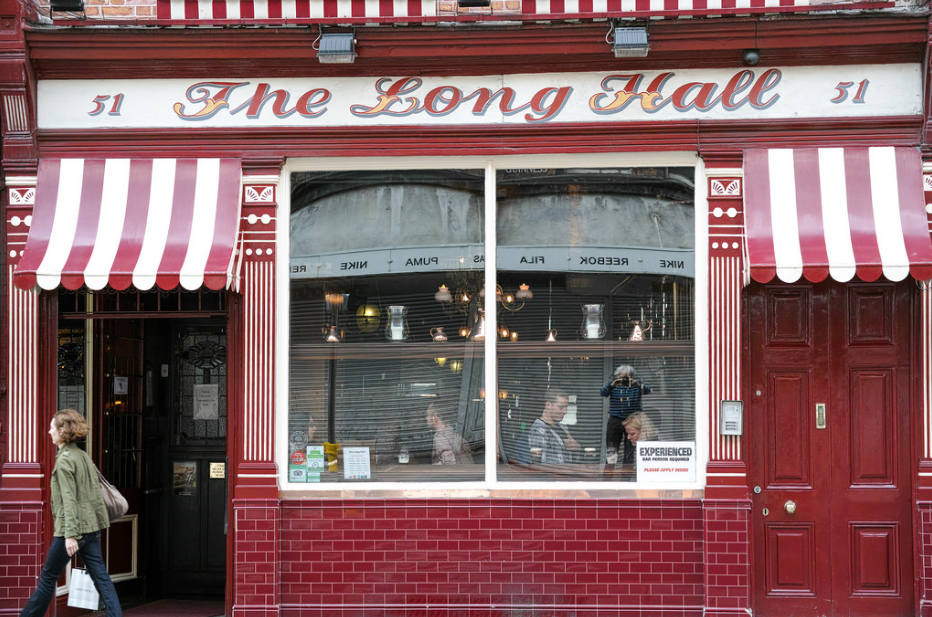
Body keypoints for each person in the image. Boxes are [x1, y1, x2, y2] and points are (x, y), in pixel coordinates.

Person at [21, 409, 122, 617]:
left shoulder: (65, 460)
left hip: (72, 529)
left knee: (48, 578)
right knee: (101, 577)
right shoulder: (83, 456)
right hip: (91, 527)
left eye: (52, 428)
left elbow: (69, 500)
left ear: (61, 431)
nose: (49, 432)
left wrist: (70, 535)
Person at [600, 364, 652, 465]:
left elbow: (649, 391)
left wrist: (638, 384)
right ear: (617, 376)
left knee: (630, 451)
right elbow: (603, 393)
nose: (623, 380)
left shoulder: (636, 385)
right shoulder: (613, 385)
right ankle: (607, 479)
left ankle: (626, 478)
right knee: (611, 451)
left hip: (632, 421)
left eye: (626, 378)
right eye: (621, 377)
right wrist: (612, 385)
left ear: (631, 376)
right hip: (615, 420)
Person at [527, 387, 580, 464]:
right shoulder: (539, 431)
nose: (565, 411)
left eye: (566, 407)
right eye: (561, 407)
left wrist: (576, 448)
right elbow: (539, 465)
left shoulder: (563, 428)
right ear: (548, 405)